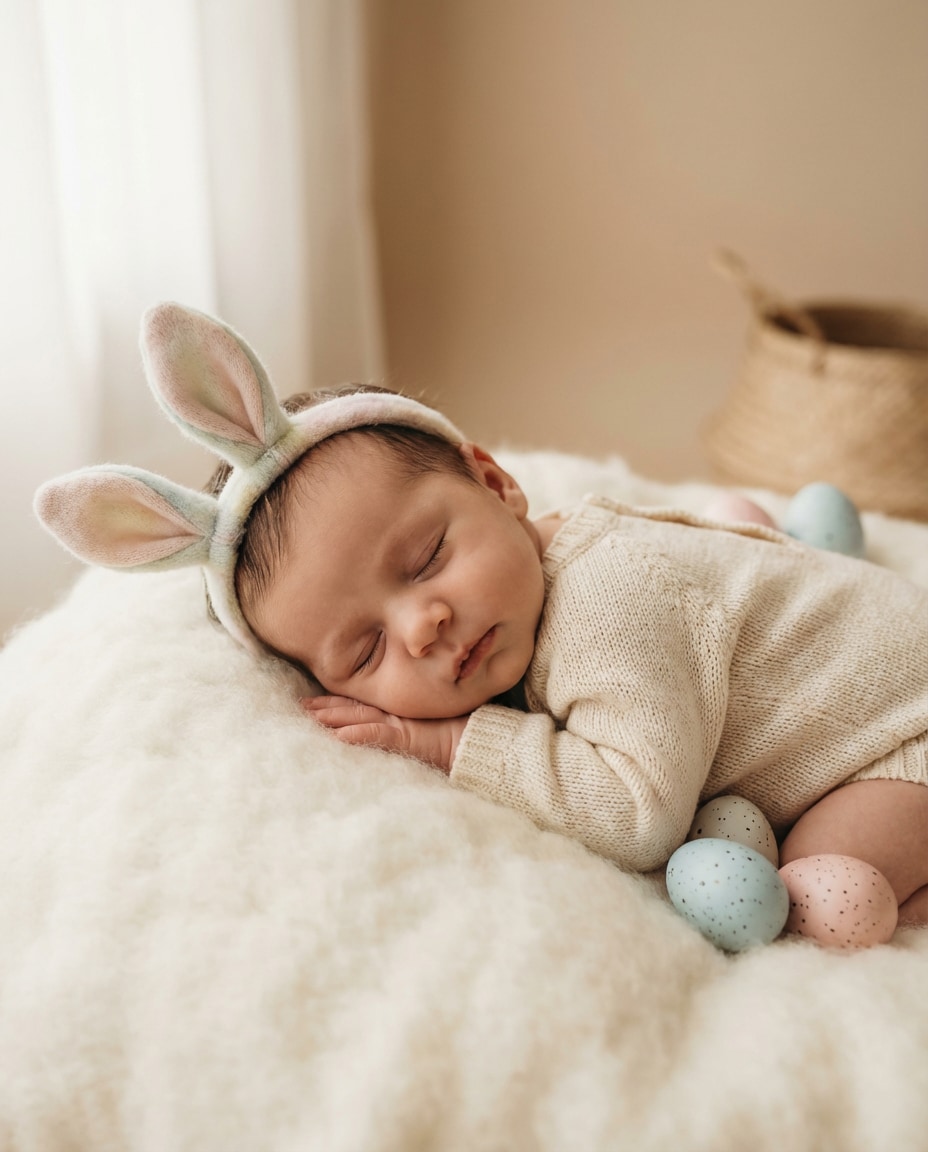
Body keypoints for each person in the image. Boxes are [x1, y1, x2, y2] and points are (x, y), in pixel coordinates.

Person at [35, 303, 928, 931]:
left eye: (425, 560)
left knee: (823, 885)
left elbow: (640, 813)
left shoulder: (610, 601)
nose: (421, 625)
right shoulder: (536, 580)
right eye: (365, 648)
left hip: (900, 727)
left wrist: (447, 745)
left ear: (498, 485)